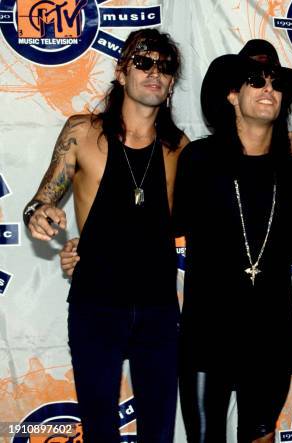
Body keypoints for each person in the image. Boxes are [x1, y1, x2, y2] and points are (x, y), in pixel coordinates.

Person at [23, 29, 188, 443]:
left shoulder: (178, 147)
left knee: (159, 433)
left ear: (171, 83)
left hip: (159, 309)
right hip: (96, 303)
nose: (155, 73)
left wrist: (288, 147)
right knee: (99, 431)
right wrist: (38, 214)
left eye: (165, 67)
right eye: (144, 62)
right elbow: (42, 199)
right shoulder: (82, 132)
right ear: (121, 72)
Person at [173, 40, 292, 443]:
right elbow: (160, 224)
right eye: (255, 80)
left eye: (276, 83)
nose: (269, 89)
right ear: (232, 94)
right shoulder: (198, 159)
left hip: (269, 334)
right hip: (207, 331)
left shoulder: (291, 169)